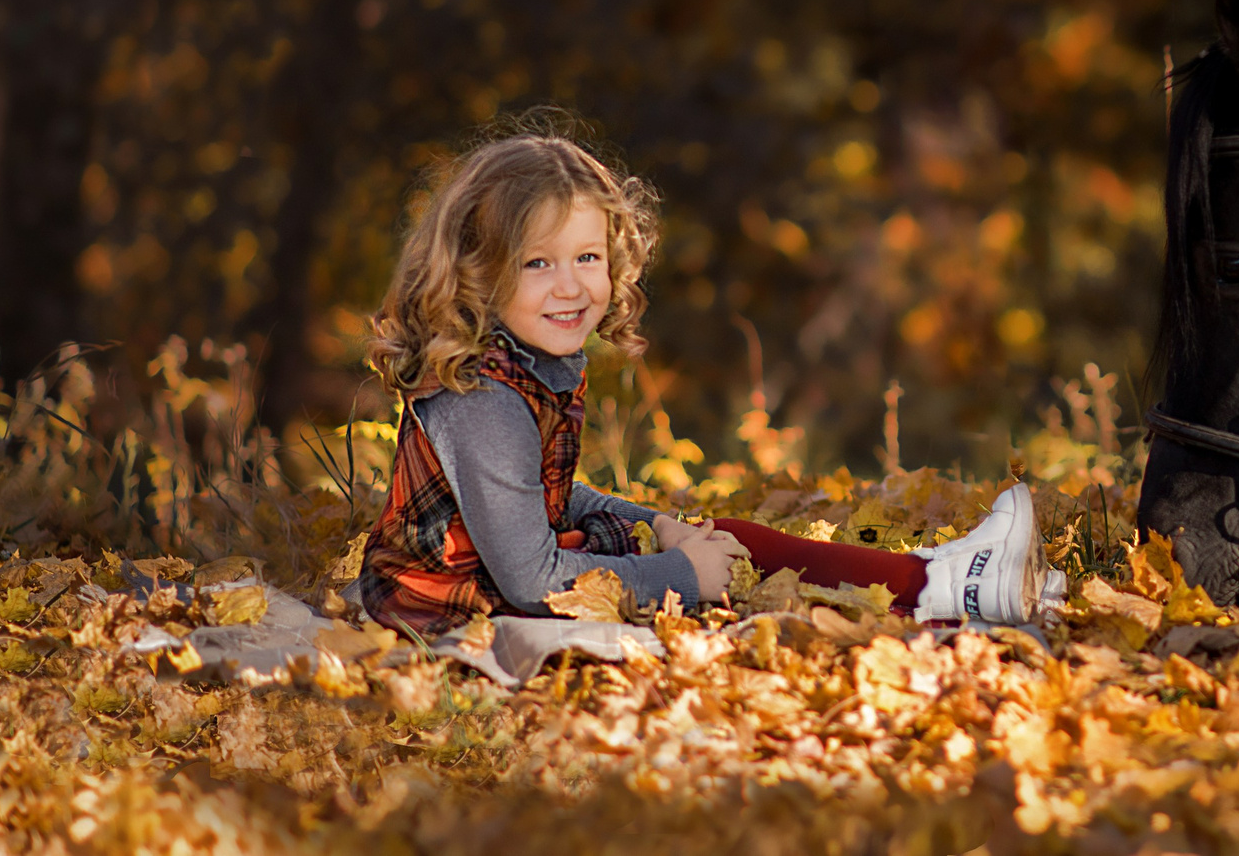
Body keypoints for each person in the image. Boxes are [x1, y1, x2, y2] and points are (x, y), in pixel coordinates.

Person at [355, 127, 1061, 637]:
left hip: (499, 581)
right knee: (716, 573)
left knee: (721, 537)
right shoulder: (482, 398)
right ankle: (941, 587)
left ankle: (930, 576)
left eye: (589, 256)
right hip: (454, 607)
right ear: (479, 269)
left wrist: (658, 525)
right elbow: (531, 582)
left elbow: (551, 496)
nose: (571, 286)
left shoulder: (526, 362)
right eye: (538, 263)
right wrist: (684, 576)